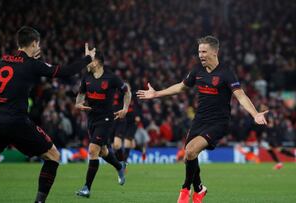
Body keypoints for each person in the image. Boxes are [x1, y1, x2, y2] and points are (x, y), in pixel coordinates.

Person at [0, 26, 95, 203]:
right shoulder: (32, 65)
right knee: (53, 156)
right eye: (37, 44)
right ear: (34, 43)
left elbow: (19, 71)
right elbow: (65, 72)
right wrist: (88, 58)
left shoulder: (3, 61)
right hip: (16, 122)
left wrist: (34, 61)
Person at [137, 35, 268, 203]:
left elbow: (241, 96)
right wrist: (157, 94)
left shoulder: (226, 73)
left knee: (191, 151)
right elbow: (181, 86)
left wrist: (255, 114)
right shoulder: (197, 70)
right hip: (199, 120)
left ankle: (185, 190)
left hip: (218, 122)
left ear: (215, 52)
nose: (200, 55)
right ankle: (199, 189)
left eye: (204, 51)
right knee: (188, 156)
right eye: (199, 51)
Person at [75, 50, 131, 198]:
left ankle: (86, 188)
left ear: (97, 62)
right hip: (91, 119)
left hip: (106, 119)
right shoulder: (86, 77)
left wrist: (125, 108)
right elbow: (81, 94)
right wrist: (78, 104)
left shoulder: (111, 77)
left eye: (90, 60)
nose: (87, 62)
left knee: (93, 150)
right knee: (102, 151)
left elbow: (127, 91)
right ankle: (120, 166)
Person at [112, 91, 139, 163]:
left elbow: (137, 109)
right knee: (132, 145)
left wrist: (137, 116)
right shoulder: (114, 96)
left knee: (124, 142)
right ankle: (141, 149)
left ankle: (123, 162)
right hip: (115, 122)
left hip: (130, 123)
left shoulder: (131, 99)